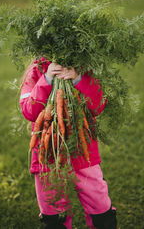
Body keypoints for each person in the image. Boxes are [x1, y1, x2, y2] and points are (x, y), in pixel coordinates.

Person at [20, 57, 117, 229]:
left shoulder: (83, 68)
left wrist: (79, 78)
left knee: (98, 201)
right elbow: (29, 110)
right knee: (53, 207)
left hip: (82, 148)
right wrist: (47, 79)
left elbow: (98, 104)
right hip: (48, 152)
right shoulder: (36, 71)